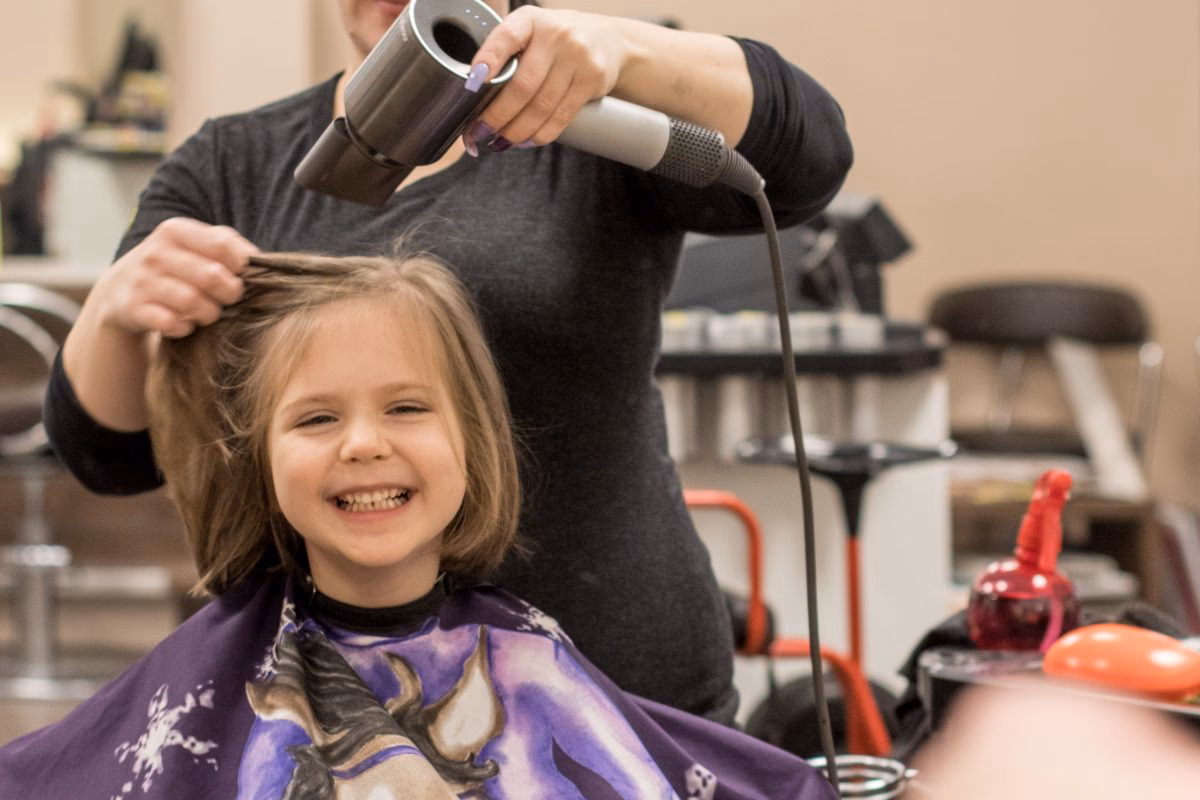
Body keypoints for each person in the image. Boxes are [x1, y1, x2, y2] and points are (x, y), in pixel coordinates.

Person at [44, 0, 854, 724]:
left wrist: (622, 53)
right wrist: (118, 312)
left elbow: (809, 154)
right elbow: (107, 452)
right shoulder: (232, 164)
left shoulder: (599, 119)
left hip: (617, 682)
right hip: (329, 709)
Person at [2, 252, 837, 799]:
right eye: (316, 419)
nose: (365, 445)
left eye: (405, 407)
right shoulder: (211, 675)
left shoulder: (528, 663)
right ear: (256, 459)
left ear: (472, 442)